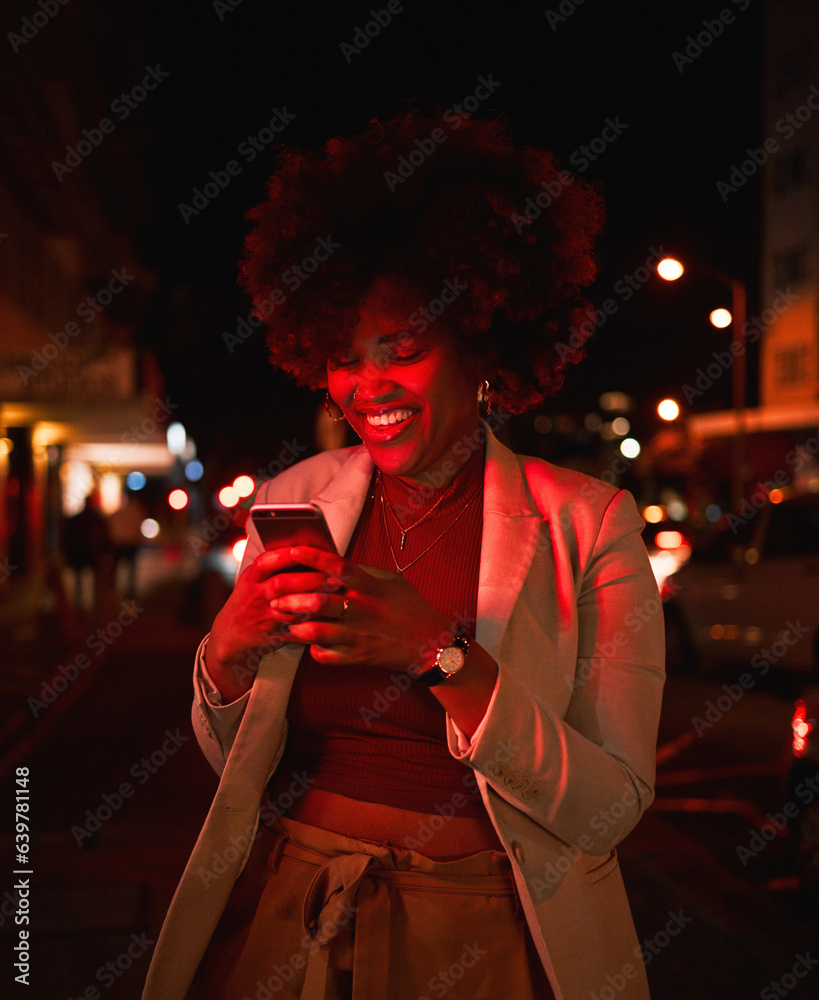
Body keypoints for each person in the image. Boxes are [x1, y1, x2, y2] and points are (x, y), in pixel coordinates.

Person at [142, 111, 665, 1000]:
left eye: (405, 350)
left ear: (481, 342)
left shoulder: (591, 522)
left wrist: (442, 657)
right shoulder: (295, 497)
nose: (366, 386)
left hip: (483, 937)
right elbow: (236, 755)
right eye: (343, 358)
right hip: (290, 915)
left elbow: (606, 809)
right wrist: (226, 655)